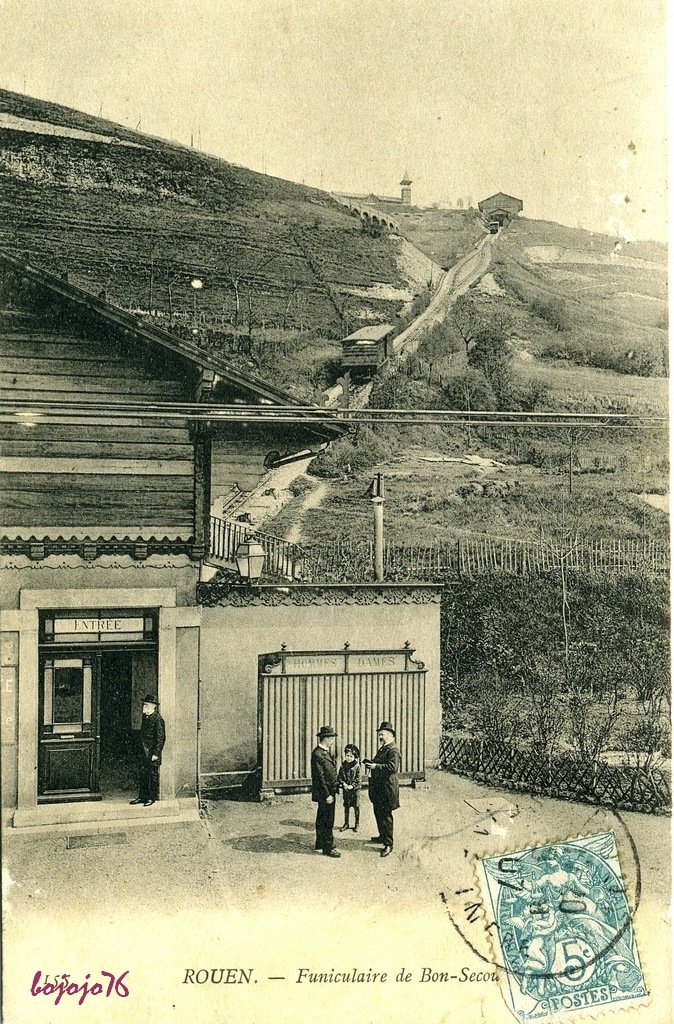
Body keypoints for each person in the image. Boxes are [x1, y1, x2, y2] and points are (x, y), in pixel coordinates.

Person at [363, 721, 401, 858]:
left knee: (386, 816)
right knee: (378, 813)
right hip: (379, 789)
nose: (380, 737)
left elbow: (392, 768)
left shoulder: (393, 750)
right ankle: (382, 836)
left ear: (390, 735)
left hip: (386, 789)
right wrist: (371, 764)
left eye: (382, 734)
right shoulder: (383, 748)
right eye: (379, 735)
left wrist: (375, 767)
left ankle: (389, 844)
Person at [310, 725, 341, 858]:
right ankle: (328, 847)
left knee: (322, 817)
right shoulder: (318, 754)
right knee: (328, 819)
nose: (333, 741)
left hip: (328, 791)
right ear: (325, 739)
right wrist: (327, 794)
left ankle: (320, 843)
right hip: (326, 792)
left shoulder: (324, 752)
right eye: (331, 738)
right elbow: (319, 777)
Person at [130, 694, 165, 807]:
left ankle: (151, 798)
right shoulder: (145, 717)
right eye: (144, 705)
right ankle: (142, 796)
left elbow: (161, 738)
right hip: (143, 752)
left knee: (152, 775)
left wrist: (156, 753)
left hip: (152, 753)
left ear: (152, 706)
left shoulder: (158, 719)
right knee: (143, 774)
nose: (143, 707)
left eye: (146, 705)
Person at [337, 744, 362, 832]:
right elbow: (339, 777)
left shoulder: (357, 766)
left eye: (351, 756)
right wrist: (344, 784)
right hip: (346, 790)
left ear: (355, 757)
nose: (348, 758)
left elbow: (358, 779)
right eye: (347, 756)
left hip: (355, 791)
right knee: (346, 806)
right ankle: (346, 823)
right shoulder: (343, 765)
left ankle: (357, 823)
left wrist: (352, 785)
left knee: (356, 807)